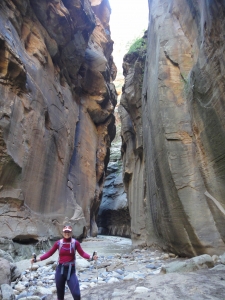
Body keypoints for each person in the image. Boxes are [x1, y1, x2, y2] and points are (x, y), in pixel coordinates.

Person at [31, 224, 98, 300]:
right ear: (63, 233)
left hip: (71, 271)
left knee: (77, 294)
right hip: (60, 271)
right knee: (60, 296)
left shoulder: (75, 243)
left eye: (68, 231)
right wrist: (36, 260)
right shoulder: (58, 243)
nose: (67, 233)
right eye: (65, 232)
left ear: (71, 232)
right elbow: (49, 254)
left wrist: (92, 257)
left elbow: (82, 253)